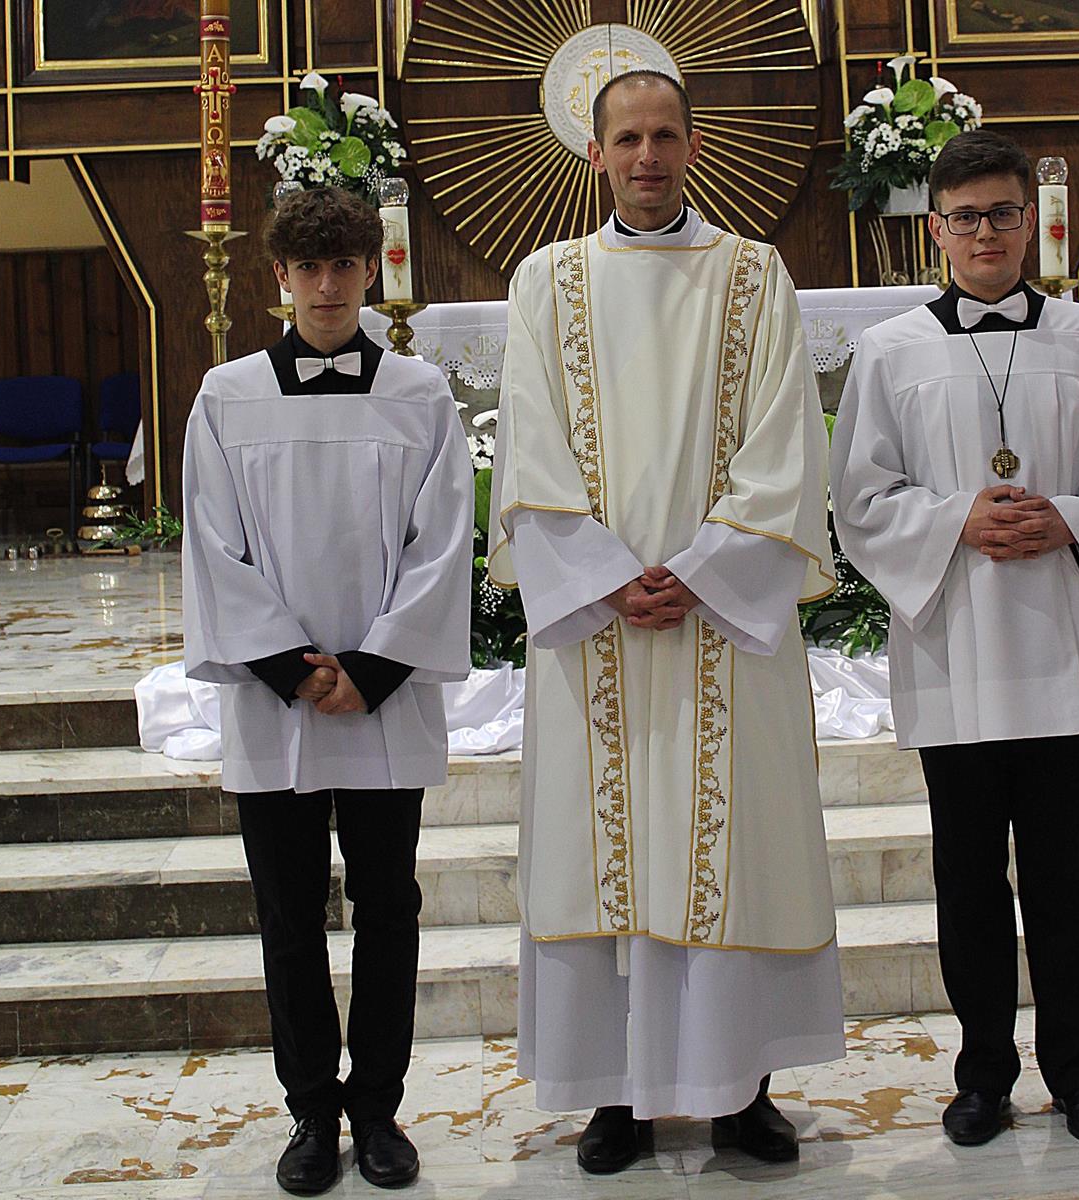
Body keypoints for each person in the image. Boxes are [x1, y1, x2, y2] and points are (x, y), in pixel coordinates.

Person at [487, 69, 844, 1173]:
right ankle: (616, 1095)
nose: (647, 156)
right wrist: (602, 576)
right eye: (627, 138)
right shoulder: (546, 280)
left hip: (720, 622)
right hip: (598, 625)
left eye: (665, 136)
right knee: (605, 849)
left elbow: (786, 444)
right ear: (593, 153)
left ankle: (740, 1090)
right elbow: (529, 442)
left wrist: (701, 571)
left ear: (692, 145)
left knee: (737, 843)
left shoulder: (754, 273)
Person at [830, 130, 1079, 1149]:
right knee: (967, 878)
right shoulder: (891, 351)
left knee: (1062, 872)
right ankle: (982, 1073)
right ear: (935, 230)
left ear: (1031, 222)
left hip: (1059, 642)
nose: (985, 233)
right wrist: (957, 520)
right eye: (966, 217)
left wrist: (1068, 517)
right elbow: (860, 497)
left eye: (1003, 214)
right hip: (955, 648)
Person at [181, 186, 473, 1193]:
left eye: (345, 265)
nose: (327, 286)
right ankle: (311, 1111)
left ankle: (378, 1110)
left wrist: (377, 668)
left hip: (384, 698)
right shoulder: (226, 396)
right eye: (308, 268)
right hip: (277, 701)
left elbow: (444, 538)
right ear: (279, 277)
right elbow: (212, 542)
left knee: (388, 908)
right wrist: (288, 667)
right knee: (289, 914)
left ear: (370, 271)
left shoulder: (420, 394)